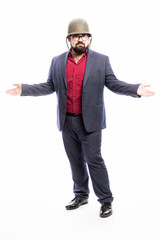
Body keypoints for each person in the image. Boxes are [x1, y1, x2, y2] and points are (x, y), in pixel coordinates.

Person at [6, 18, 155, 218]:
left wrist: (135, 89)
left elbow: (113, 83)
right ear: (69, 39)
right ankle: (81, 195)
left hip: (90, 122)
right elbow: (49, 86)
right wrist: (24, 89)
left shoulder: (101, 60)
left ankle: (106, 200)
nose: (80, 39)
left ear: (89, 38)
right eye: (76, 36)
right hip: (67, 121)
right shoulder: (57, 61)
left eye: (83, 36)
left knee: (94, 160)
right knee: (75, 160)